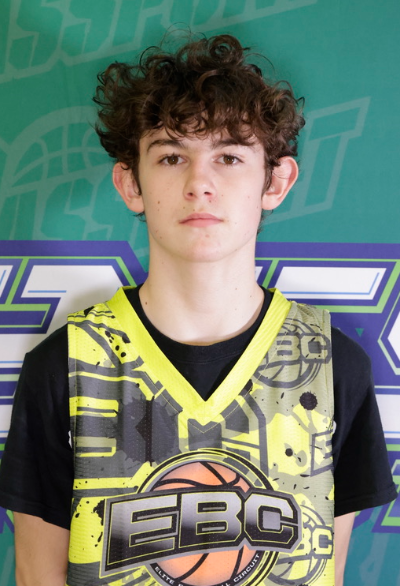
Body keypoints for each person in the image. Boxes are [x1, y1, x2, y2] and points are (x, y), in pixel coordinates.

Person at [0, 34, 396, 586]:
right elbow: (36, 574)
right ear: (131, 183)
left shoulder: (332, 367)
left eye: (229, 157)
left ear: (276, 181)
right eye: (171, 157)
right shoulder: (65, 367)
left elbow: (327, 570)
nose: (199, 184)